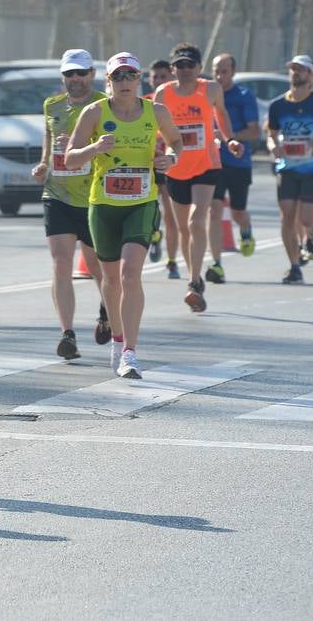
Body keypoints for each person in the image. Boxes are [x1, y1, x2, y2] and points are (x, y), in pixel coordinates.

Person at [65, 53, 182, 380]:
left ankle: (130, 351)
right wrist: (94, 149)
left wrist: (170, 158)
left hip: (141, 202)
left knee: (131, 273)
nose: (125, 83)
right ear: (109, 82)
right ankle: (117, 340)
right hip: (104, 204)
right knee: (110, 280)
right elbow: (71, 158)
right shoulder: (94, 113)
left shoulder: (155, 111)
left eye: (131, 76)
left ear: (140, 80)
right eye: (118, 77)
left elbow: (176, 141)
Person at [30, 49, 107, 359]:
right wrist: (42, 167)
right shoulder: (52, 105)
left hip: (93, 196)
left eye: (81, 73)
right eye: (69, 74)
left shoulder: (104, 105)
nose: (75, 79)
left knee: (99, 266)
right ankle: (68, 334)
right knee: (61, 264)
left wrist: (84, 149)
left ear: (92, 75)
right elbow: (48, 148)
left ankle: (107, 311)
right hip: (57, 194)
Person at [153, 43, 241, 312]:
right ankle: (195, 273)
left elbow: (221, 116)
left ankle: (193, 283)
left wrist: (230, 140)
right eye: (180, 65)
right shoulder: (163, 94)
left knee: (197, 219)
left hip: (206, 164)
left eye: (190, 65)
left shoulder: (210, 89)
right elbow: (155, 127)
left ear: (199, 68)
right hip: (177, 166)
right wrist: (156, 149)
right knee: (181, 228)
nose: (185, 70)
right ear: (172, 69)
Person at [266, 56, 313, 284]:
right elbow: (271, 133)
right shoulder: (277, 105)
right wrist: (273, 147)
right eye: (293, 70)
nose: (296, 74)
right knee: (287, 218)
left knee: (306, 219)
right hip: (287, 168)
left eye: (302, 70)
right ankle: (294, 266)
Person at [205, 54, 261, 282]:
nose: (219, 75)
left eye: (224, 71)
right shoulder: (206, 94)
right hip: (213, 161)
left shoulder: (244, 96)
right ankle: (216, 264)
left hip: (238, 161)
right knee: (214, 211)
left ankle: (246, 230)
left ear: (234, 72)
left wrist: (229, 137)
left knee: (238, 212)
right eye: (216, 70)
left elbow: (254, 132)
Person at [146, 59, 181, 274]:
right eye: (155, 76)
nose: (158, 80)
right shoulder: (142, 103)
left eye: (163, 76)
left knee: (171, 213)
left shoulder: (175, 102)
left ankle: (172, 260)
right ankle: (153, 233)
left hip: (169, 163)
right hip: (147, 163)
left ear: (171, 77)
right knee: (150, 208)